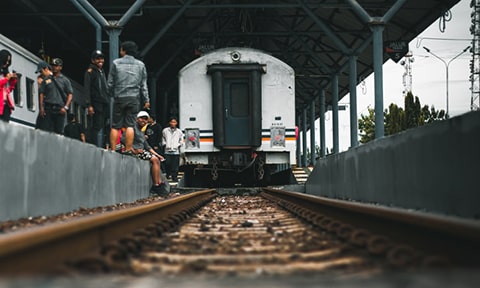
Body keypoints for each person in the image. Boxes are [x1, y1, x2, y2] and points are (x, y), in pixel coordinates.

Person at [107, 41, 150, 153]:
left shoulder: (116, 63)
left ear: (123, 50)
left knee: (116, 125)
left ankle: (112, 149)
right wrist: (146, 100)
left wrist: (112, 94)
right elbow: (143, 85)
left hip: (119, 97)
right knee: (130, 125)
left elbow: (110, 83)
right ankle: (128, 149)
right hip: (134, 98)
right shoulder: (141, 65)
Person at [122, 110, 167, 196]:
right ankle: (156, 185)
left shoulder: (141, 131)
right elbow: (124, 140)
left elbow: (147, 146)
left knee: (156, 159)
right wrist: (133, 150)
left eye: (146, 119)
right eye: (142, 118)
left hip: (142, 151)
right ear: (137, 119)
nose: (144, 121)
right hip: (135, 151)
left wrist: (158, 154)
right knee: (154, 160)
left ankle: (158, 184)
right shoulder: (132, 128)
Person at [37, 58, 73, 134]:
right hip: (48, 108)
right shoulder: (46, 79)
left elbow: (70, 94)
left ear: (60, 67)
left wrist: (66, 107)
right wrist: (41, 108)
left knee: (58, 132)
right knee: (46, 130)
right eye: (53, 65)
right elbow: (41, 93)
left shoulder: (65, 80)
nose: (54, 67)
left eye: (56, 66)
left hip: (59, 109)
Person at [84, 50, 109, 148]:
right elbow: (87, 88)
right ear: (93, 60)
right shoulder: (90, 72)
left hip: (103, 102)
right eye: (97, 59)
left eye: (101, 58)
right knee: (95, 125)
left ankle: (101, 144)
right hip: (96, 102)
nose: (100, 61)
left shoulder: (101, 72)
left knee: (102, 125)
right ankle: (91, 144)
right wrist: (89, 105)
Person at [162, 116, 184, 182]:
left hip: (175, 150)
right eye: (172, 122)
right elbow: (163, 138)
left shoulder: (179, 131)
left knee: (175, 165)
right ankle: (168, 174)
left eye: (174, 122)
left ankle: (174, 177)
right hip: (167, 150)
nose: (173, 123)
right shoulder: (165, 130)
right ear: (169, 122)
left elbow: (181, 140)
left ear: (176, 123)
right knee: (167, 163)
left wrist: (178, 145)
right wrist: (165, 144)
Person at [0, 49, 17, 122]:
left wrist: (13, 80)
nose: (7, 63)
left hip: (6, 105)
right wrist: (6, 79)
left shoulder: (6, 72)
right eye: (5, 60)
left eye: (8, 61)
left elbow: (9, 90)